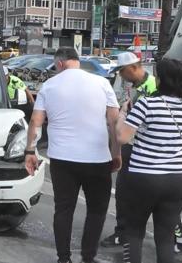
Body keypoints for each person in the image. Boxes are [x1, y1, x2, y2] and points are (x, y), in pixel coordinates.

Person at [24, 47, 121, 263]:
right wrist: (116, 152)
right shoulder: (102, 83)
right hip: (97, 158)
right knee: (97, 210)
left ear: (59, 64)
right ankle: (88, 257)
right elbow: (114, 122)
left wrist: (30, 150)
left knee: (64, 209)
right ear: (77, 61)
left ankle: (64, 258)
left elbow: (35, 122)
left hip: (62, 159)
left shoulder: (49, 86)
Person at [115, 58, 182, 263]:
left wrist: (123, 114)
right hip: (177, 179)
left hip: (144, 177)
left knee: (134, 232)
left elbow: (122, 137)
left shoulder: (147, 104)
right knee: (166, 236)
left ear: (161, 80)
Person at [101, 52, 161, 248]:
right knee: (124, 191)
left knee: (142, 194)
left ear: (134, 67)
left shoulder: (154, 86)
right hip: (131, 143)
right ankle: (124, 231)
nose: (121, 75)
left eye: (123, 71)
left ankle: (129, 233)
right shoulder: (132, 85)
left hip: (145, 147)